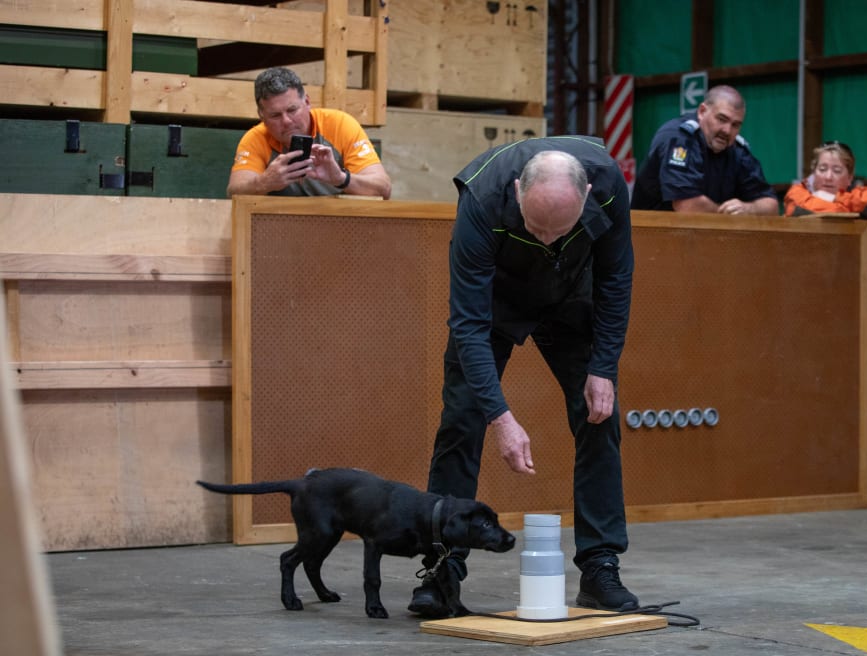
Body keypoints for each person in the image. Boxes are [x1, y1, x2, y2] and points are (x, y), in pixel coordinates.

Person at [408, 136, 638, 618]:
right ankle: (443, 569)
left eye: (561, 230)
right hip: (496, 305)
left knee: (599, 416)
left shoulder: (611, 186)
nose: (547, 240)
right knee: (462, 421)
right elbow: (468, 324)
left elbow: (616, 279)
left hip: (573, 297)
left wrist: (603, 367)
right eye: (536, 228)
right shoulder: (481, 197)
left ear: (588, 194)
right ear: (517, 192)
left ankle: (599, 566)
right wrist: (500, 416)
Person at [226, 67, 391, 199]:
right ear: (261, 116)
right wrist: (264, 183)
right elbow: (233, 193)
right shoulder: (255, 138)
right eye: (275, 115)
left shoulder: (340, 125)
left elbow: (383, 189)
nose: (287, 121)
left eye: (292, 110)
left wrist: (340, 178)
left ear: (307, 102)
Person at [631, 85, 778, 215]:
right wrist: (727, 216)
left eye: (736, 125)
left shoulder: (737, 151)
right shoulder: (678, 137)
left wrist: (748, 209)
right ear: (702, 111)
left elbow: (772, 206)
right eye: (722, 119)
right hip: (652, 235)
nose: (727, 130)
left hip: (703, 239)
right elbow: (687, 205)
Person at [783, 141, 867, 225]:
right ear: (814, 172)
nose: (828, 177)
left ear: (849, 178)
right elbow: (804, 210)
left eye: (837, 171)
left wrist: (836, 198)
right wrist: (852, 211)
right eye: (822, 169)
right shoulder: (797, 192)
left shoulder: (857, 193)